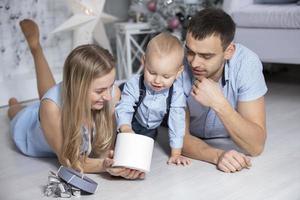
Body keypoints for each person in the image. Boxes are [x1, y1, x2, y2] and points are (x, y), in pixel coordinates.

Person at [7, 19, 144, 179]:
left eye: (111, 85)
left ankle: (37, 53)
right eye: (99, 90)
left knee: (50, 96)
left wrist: (119, 162)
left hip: (60, 103)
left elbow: (107, 149)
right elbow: (69, 161)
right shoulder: (51, 108)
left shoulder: (112, 94)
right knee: (22, 111)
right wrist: (103, 166)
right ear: (77, 87)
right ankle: (35, 51)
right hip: (29, 126)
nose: (108, 96)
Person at [181, 8, 268, 173]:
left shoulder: (246, 63)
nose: (194, 63)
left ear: (229, 51)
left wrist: (218, 103)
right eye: (190, 52)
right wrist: (217, 155)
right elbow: (180, 138)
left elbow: (256, 146)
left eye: (206, 56)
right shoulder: (178, 62)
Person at [115, 33, 191, 166]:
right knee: (118, 151)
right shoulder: (134, 83)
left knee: (140, 156)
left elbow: (177, 121)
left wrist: (176, 153)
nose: (157, 81)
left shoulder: (176, 92)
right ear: (144, 61)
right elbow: (125, 106)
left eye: (166, 76)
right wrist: (125, 127)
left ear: (178, 72)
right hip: (130, 121)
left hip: (150, 128)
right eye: (152, 72)